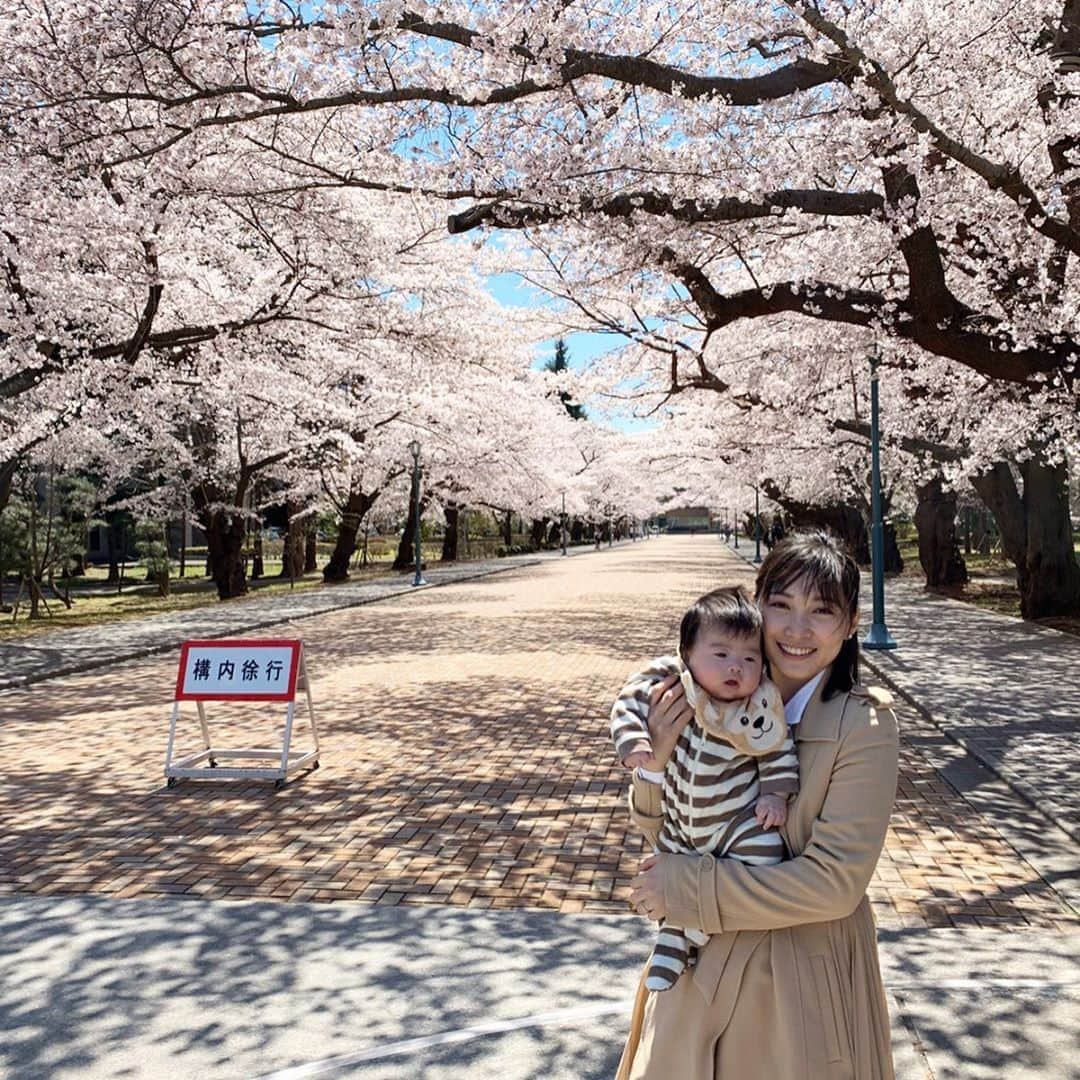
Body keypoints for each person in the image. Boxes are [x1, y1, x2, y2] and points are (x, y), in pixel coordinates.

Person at [616, 531, 899, 1079]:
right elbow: (663, 824)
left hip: (798, 982)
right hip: (701, 964)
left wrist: (685, 887)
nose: (797, 630)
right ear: (755, 606)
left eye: (821, 611)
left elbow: (835, 883)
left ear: (851, 622)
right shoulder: (713, 687)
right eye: (780, 605)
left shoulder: (863, 726)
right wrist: (656, 761)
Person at [609, 587, 798, 992]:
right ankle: (673, 937)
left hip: (731, 825)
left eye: (749, 658)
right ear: (686, 654)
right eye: (721, 655)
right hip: (678, 822)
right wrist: (635, 743)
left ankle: (689, 925)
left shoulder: (757, 705)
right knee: (663, 861)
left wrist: (776, 794)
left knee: (765, 849)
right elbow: (626, 703)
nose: (736, 668)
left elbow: (777, 748)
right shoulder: (672, 685)